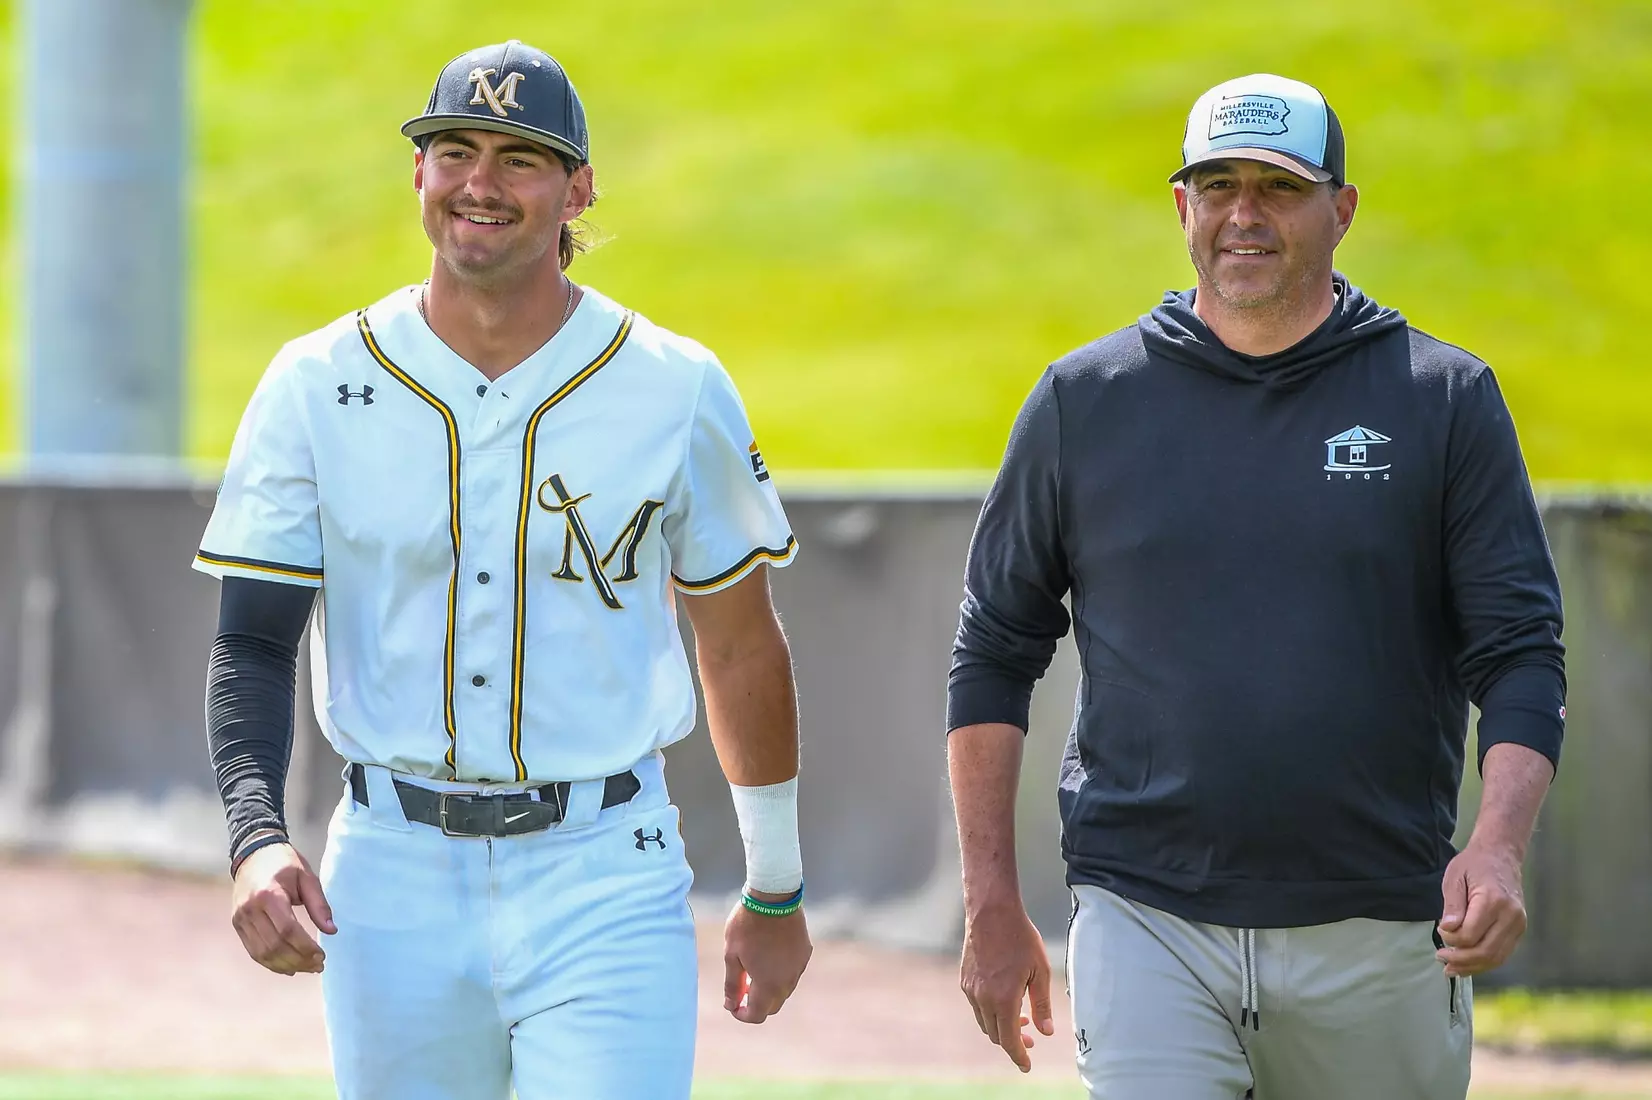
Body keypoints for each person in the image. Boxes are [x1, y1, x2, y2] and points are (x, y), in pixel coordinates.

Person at [193, 39, 811, 1100]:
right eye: (453, 150)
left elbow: (737, 638)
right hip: (389, 868)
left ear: (577, 189)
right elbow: (251, 639)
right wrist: (255, 834)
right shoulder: (313, 380)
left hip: (606, 866)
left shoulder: (674, 384)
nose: (479, 183)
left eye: (518, 158)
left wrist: (776, 883)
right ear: (419, 175)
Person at [946, 73, 1565, 1100]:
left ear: (1341, 209)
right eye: (1217, 184)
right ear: (1180, 206)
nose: (1243, 214)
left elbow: (1518, 652)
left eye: (1277, 188)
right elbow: (992, 648)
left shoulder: (1441, 399)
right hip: (1144, 917)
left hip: (1377, 925)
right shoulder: (1083, 401)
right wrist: (989, 898)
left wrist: (1495, 846)